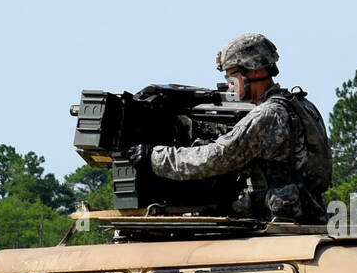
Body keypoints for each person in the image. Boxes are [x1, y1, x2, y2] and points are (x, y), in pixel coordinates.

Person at [126, 33, 332, 223]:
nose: (230, 86)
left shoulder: (267, 115)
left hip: (277, 224)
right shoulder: (302, 105)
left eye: (232, 76)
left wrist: (154, 157)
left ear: (256, 70)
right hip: (309, 213)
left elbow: (216, 158)